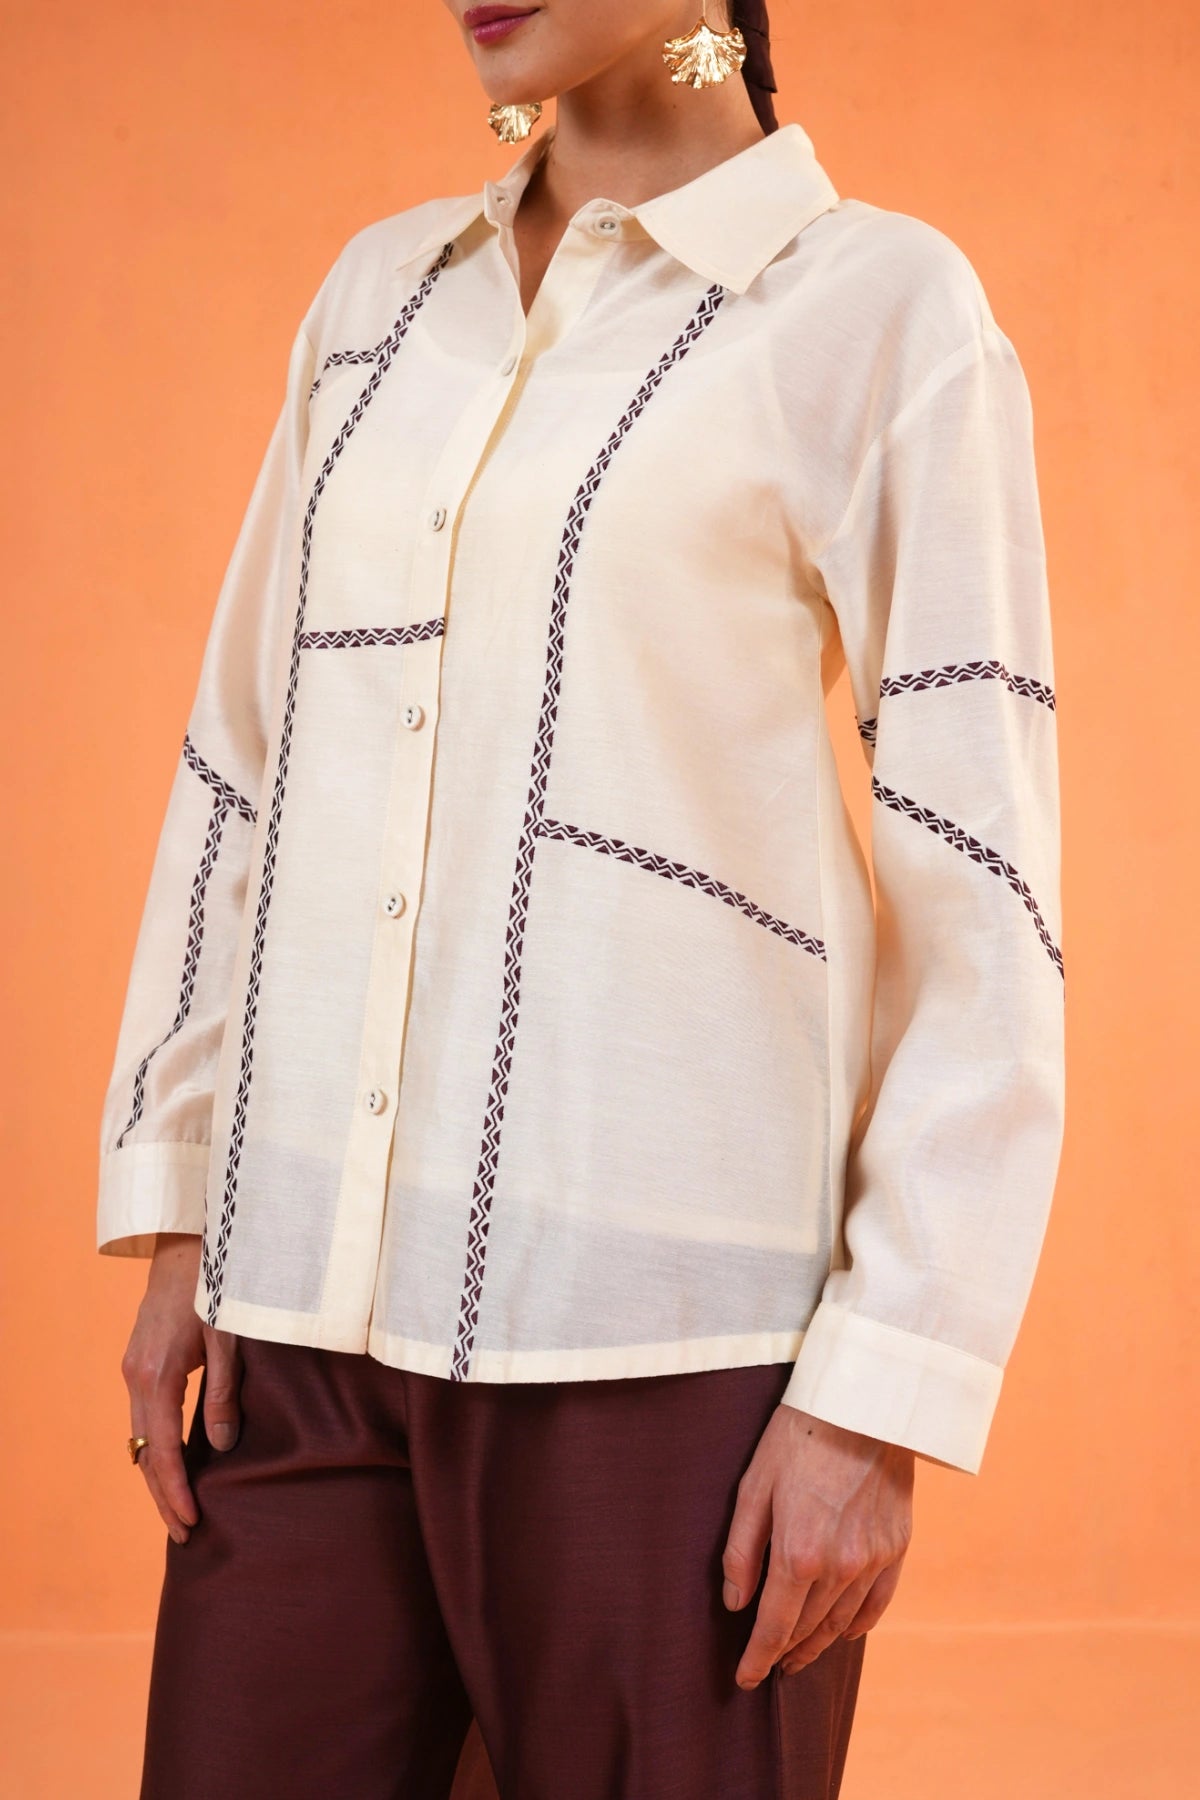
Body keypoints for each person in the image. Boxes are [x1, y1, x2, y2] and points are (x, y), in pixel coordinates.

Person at [97, 2, 1065, 1796]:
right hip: (299, 1305)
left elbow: (982, 881)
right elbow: (247, 760)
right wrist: (178, 1221)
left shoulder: (876, 308)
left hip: (669, 1347)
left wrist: (882, 1396)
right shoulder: (377, 301)